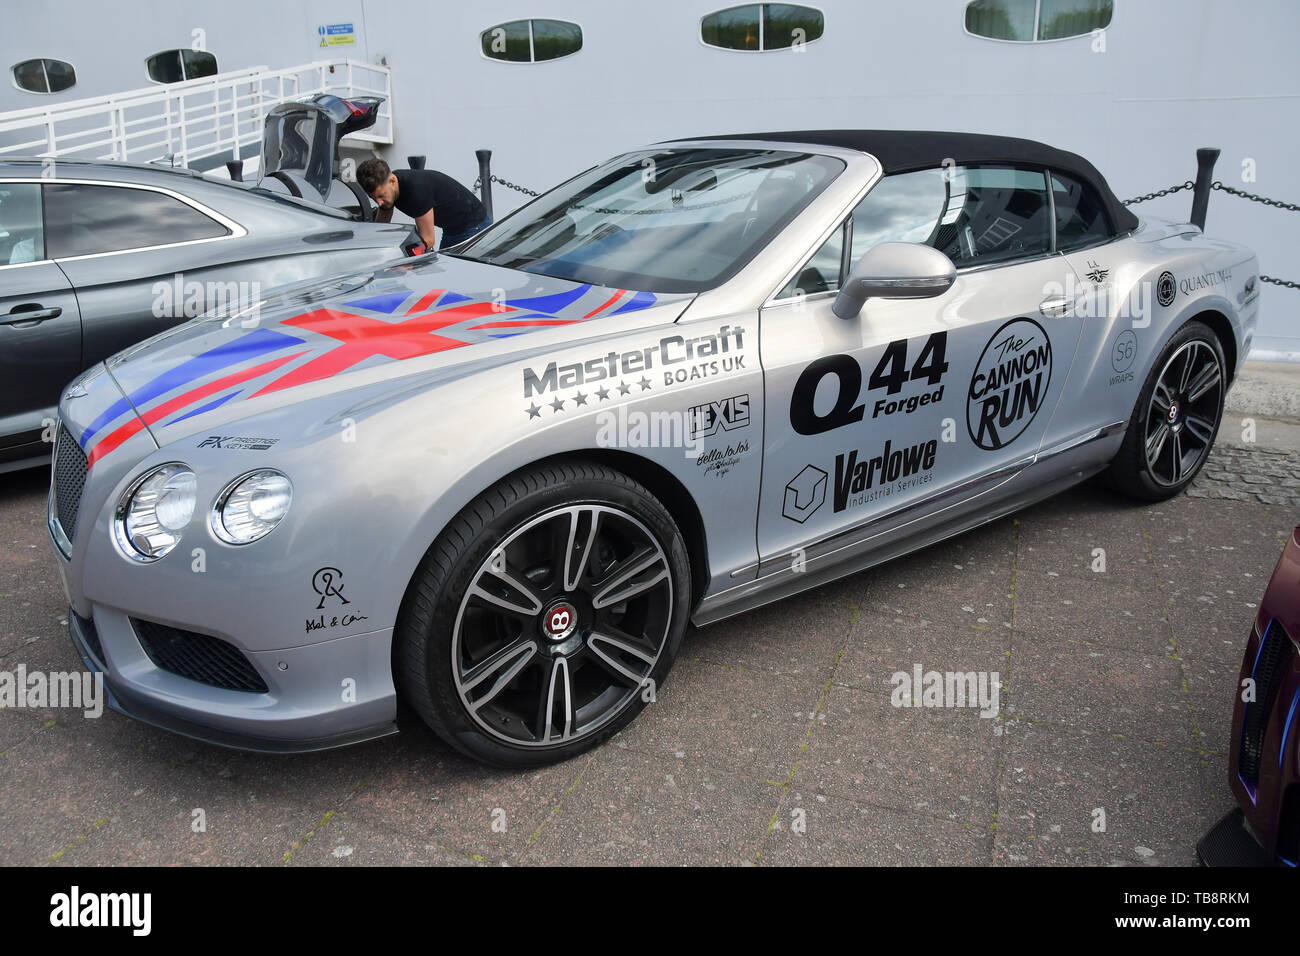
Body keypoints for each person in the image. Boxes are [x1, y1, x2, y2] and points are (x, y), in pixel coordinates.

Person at [356, 158, 492, 249]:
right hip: (452, 229)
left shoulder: (416, 190)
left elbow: (427, 240)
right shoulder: (388, 189)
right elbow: (380, 228)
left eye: (381, 196)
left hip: (474, 226)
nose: (379, 202)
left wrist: (401, 259)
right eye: (373, 198)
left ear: (392, 181)